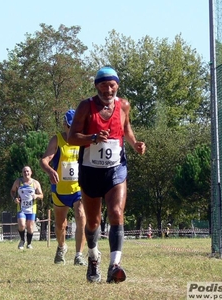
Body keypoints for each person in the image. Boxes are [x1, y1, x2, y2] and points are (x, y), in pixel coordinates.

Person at [68, 66, 146, 283]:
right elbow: (72, 138)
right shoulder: (86, 106)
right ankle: (93, 259)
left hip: (115, 169)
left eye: (112, 85)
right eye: (103, 86)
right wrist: (92, 138)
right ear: (96, 86)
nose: (108, 90)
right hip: (91, 170)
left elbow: (126, 128)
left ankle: (115, 265)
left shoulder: (124, 105)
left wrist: (135, 143)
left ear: (117, 86)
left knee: (116, 212)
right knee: (92, 222)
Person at [40, 109, 87, 266]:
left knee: (81, 216)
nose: (72, 129)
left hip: (78, 188)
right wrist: (50, 170)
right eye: (69, 126)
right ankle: (61, 247)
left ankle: (79, 255)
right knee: (61, 224)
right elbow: (44, 160)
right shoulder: (57, 140)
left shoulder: (82, 140)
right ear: (65, 125)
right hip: (60, 190)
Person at [10, 166, 43, 250]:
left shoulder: (35, 183)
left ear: (31, 172)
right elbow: (12, 191)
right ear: (22, 173)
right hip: (21, 208)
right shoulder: (18, 182)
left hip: (31, 208)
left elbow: (41, 195)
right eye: (24, 172)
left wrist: (36, 196)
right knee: (21, 224)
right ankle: (22, 240)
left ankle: (29, 243)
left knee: (30, 227)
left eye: (27, 171)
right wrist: (15, 198)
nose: (26, 173)